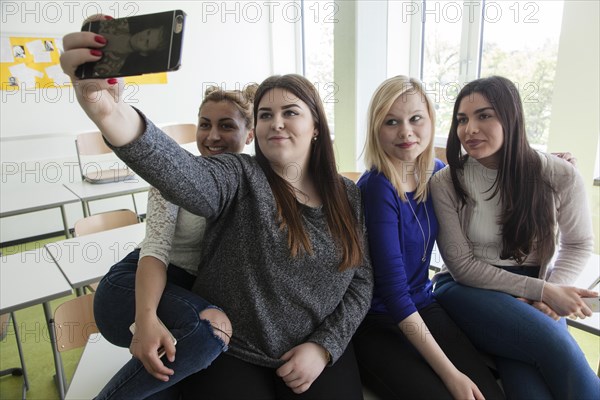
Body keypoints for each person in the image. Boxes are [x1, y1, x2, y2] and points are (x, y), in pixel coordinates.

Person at [60, 21, 373, 399]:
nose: (276, 123)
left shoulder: (348, 196)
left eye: (290, 112)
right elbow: (181, 173)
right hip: (236, 351)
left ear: (316, 127)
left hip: (312, 352)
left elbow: (360, 283)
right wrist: (108, 111)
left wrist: (324, 347)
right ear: (255, 129)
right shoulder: (239, 175)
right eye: (265, 115)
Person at [430, 75, 600, 399]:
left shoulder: (558, 174)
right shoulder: (446, 182)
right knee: (554, 345)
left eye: (484, 115)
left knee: (529, 388)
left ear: (512, 117)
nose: (470, 129)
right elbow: (463, 265)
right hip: (466, 290)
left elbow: (578, 244)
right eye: (462, 119)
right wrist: (545, 291)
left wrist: (549, 292)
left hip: (536, 292)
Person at [92, 84, 256, 399]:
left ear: (249, 134)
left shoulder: (253, 183)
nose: (212, 136)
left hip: (187, 297)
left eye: (227, 126)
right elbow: (154, 252)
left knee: (163, 390)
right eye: (205, 124)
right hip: (135, 288)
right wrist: (146, 318)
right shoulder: (176, 176)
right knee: (213, 331)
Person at [353, 75, 504, 400]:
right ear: (377, 130)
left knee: (489, 394)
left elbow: (492, 165)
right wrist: (451, 375)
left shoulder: (437, 172)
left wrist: (547, 162)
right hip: (378, 319)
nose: (406, 132)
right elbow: (392, 293)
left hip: (424, 302)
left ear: (431, 121)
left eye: (415, 118)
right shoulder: (378, 187)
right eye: (391, 122)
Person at [89, 15, 170, 77]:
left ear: (144, 53)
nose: (142, 37)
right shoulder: (121, 23)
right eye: (148, 33)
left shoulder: (113, 68)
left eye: (146, 43)